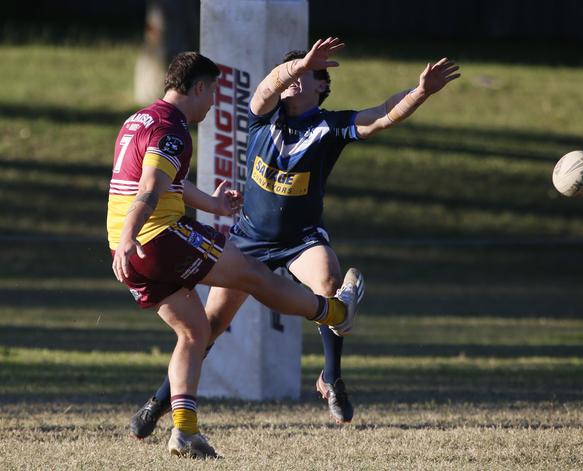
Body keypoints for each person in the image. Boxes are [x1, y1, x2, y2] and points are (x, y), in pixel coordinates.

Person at [130, 37, 459, 435]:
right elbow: (268, 86)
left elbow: (383, 115)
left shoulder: (330, 126)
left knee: (329, 282)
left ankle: (331, 379)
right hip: (249, 236)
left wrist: (421, 92)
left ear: (323, 86)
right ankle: (161, 400)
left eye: (308, 75)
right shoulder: (263, 115)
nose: (295, 79)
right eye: (293, 72)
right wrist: (299, 65)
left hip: (300, 238)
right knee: (209, 326)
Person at [107, 50, 363, 459]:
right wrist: (131, 234)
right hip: (159, 237)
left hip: (131, 252)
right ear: (200, 87)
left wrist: (208, 204)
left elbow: (163, 182)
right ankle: (336, 313)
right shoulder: (172, 128)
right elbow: (151, 189)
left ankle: (184, 431)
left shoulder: (139, 119)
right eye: (213, 94)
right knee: (256, 277)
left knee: (194, 333)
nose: (213, 104)